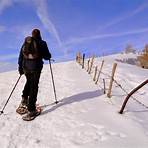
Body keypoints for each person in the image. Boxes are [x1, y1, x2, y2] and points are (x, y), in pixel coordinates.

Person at [17, 28, 51, 121]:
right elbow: (47, 56)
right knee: (34, 87)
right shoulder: (42, 43)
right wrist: (48, 56)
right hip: (36, 68)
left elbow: (20, 56)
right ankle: (31, 110)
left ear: (32, 34)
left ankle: (24, 100)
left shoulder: (26, 42)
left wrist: (20, 68)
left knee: (29, 82)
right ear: (39, 35)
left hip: (26, 68)